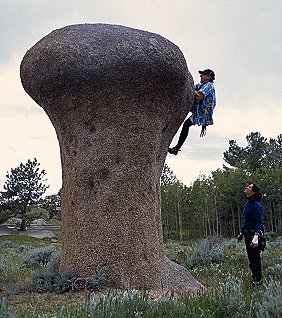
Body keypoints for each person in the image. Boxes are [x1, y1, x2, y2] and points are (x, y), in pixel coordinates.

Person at [168, 69, 216, 155]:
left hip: (202, 113)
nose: (200, 76)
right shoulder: (201, 85)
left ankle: (177, 148)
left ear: (208, 77)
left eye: (203, 74)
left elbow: (198, 96)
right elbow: (191, 88)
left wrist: (190, 90)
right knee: (186, 124)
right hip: (198, 110)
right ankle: (176, 148)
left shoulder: (209, 85)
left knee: (186, 125)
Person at [237, 183, 264, 286]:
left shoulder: (256, 205)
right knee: (251, 259)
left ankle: (258, 280)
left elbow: (258, 221)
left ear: (252, 192)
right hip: (248, 235)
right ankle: (255, 278)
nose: (246, 187)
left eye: (249, 187)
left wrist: (256, 237)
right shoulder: (248, 203)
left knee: (255, 259)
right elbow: (247, 221)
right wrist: (242, 233)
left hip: (254, 236)